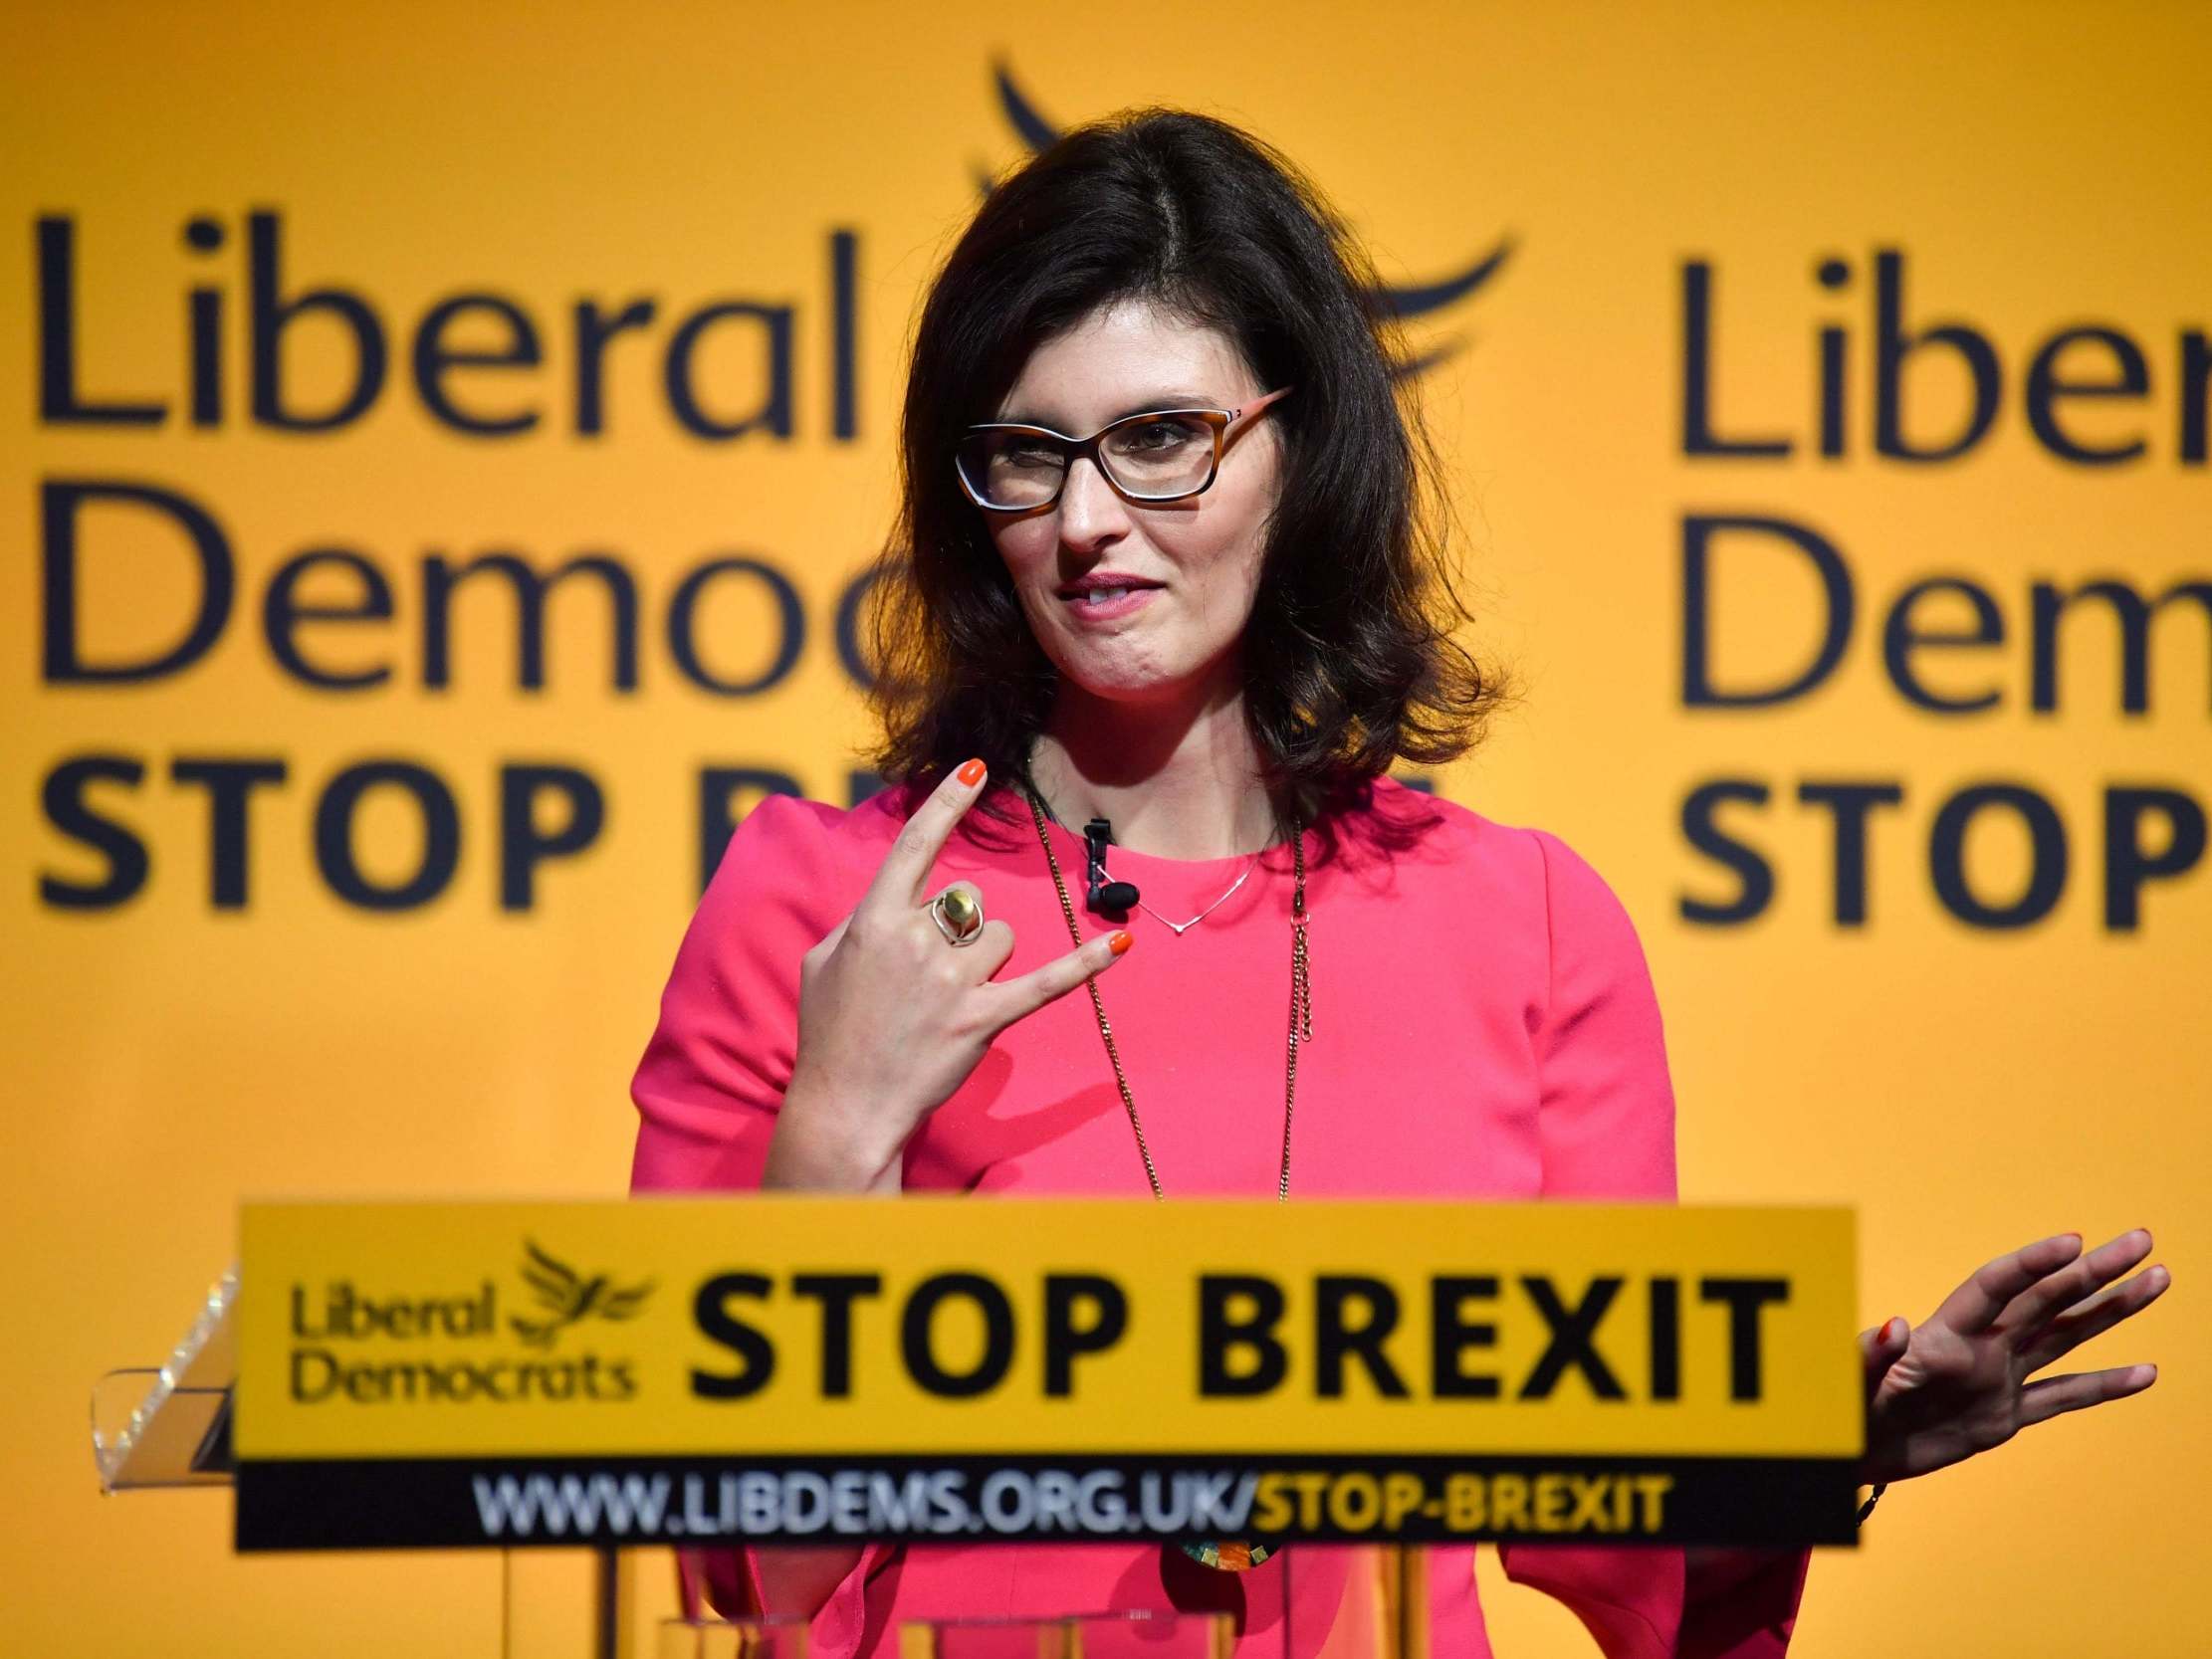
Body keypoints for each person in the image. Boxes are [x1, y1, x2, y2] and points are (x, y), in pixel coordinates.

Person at [629, 108, 2167, 1657]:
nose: (1086, 520)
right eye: (1028, 455)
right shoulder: (826, 910)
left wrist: (1815, 1463)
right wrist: (835, 1134)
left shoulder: (1519, 929)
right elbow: (728, 1568)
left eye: (1161, 439)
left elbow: (1611, 1527)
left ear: (1302, 451)